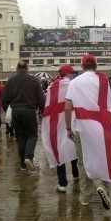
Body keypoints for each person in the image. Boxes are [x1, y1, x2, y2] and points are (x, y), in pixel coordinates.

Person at [65, 54, 111, 210]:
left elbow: (67, 107)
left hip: (82, 126)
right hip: (102, 125)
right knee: (103, 158)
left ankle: (85, 197)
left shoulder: (75, 82)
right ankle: (103, 187)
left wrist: (68, 128)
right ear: (95, 66)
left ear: (82, 66)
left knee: (83, 162)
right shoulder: (103, 81)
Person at [41, 64, 79, 192]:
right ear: (68, 74)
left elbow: (46, 104)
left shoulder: (52, 87)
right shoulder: (73, 85)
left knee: (58, 148)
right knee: (73, 146)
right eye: (72, 73)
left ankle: (62, 183)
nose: (73, 75)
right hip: (70, 119)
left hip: (55, 122)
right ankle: (76, 174)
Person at [3, 61, 45, 171]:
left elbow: (5, 98)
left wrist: (7, 111)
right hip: (29, 111)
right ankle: (28, 157)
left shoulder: (11, 81)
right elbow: (41, 98)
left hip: (16, 111)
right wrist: (42, 110)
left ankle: (22, 164)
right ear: (27, 69)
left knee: (20, 136)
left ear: (17, 69)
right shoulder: (33, 80)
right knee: (32, 135)